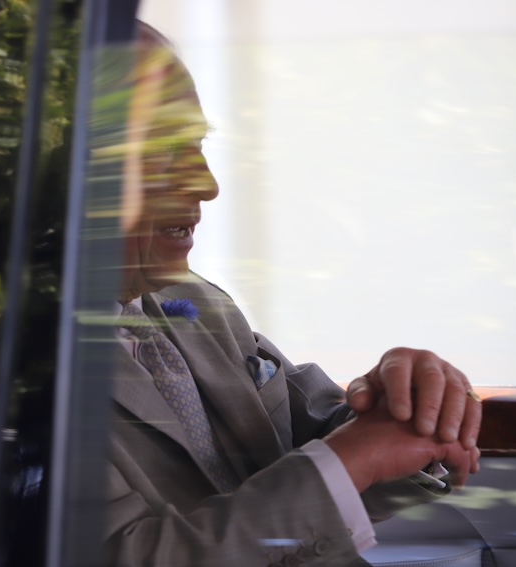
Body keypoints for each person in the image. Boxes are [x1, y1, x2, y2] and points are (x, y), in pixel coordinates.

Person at [103, 22, 481, 566]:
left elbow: (318, 448)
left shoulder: (199, 305)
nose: (206, 184)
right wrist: (354, 458)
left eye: (197, 145)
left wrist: (410, 409)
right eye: (163, 149)